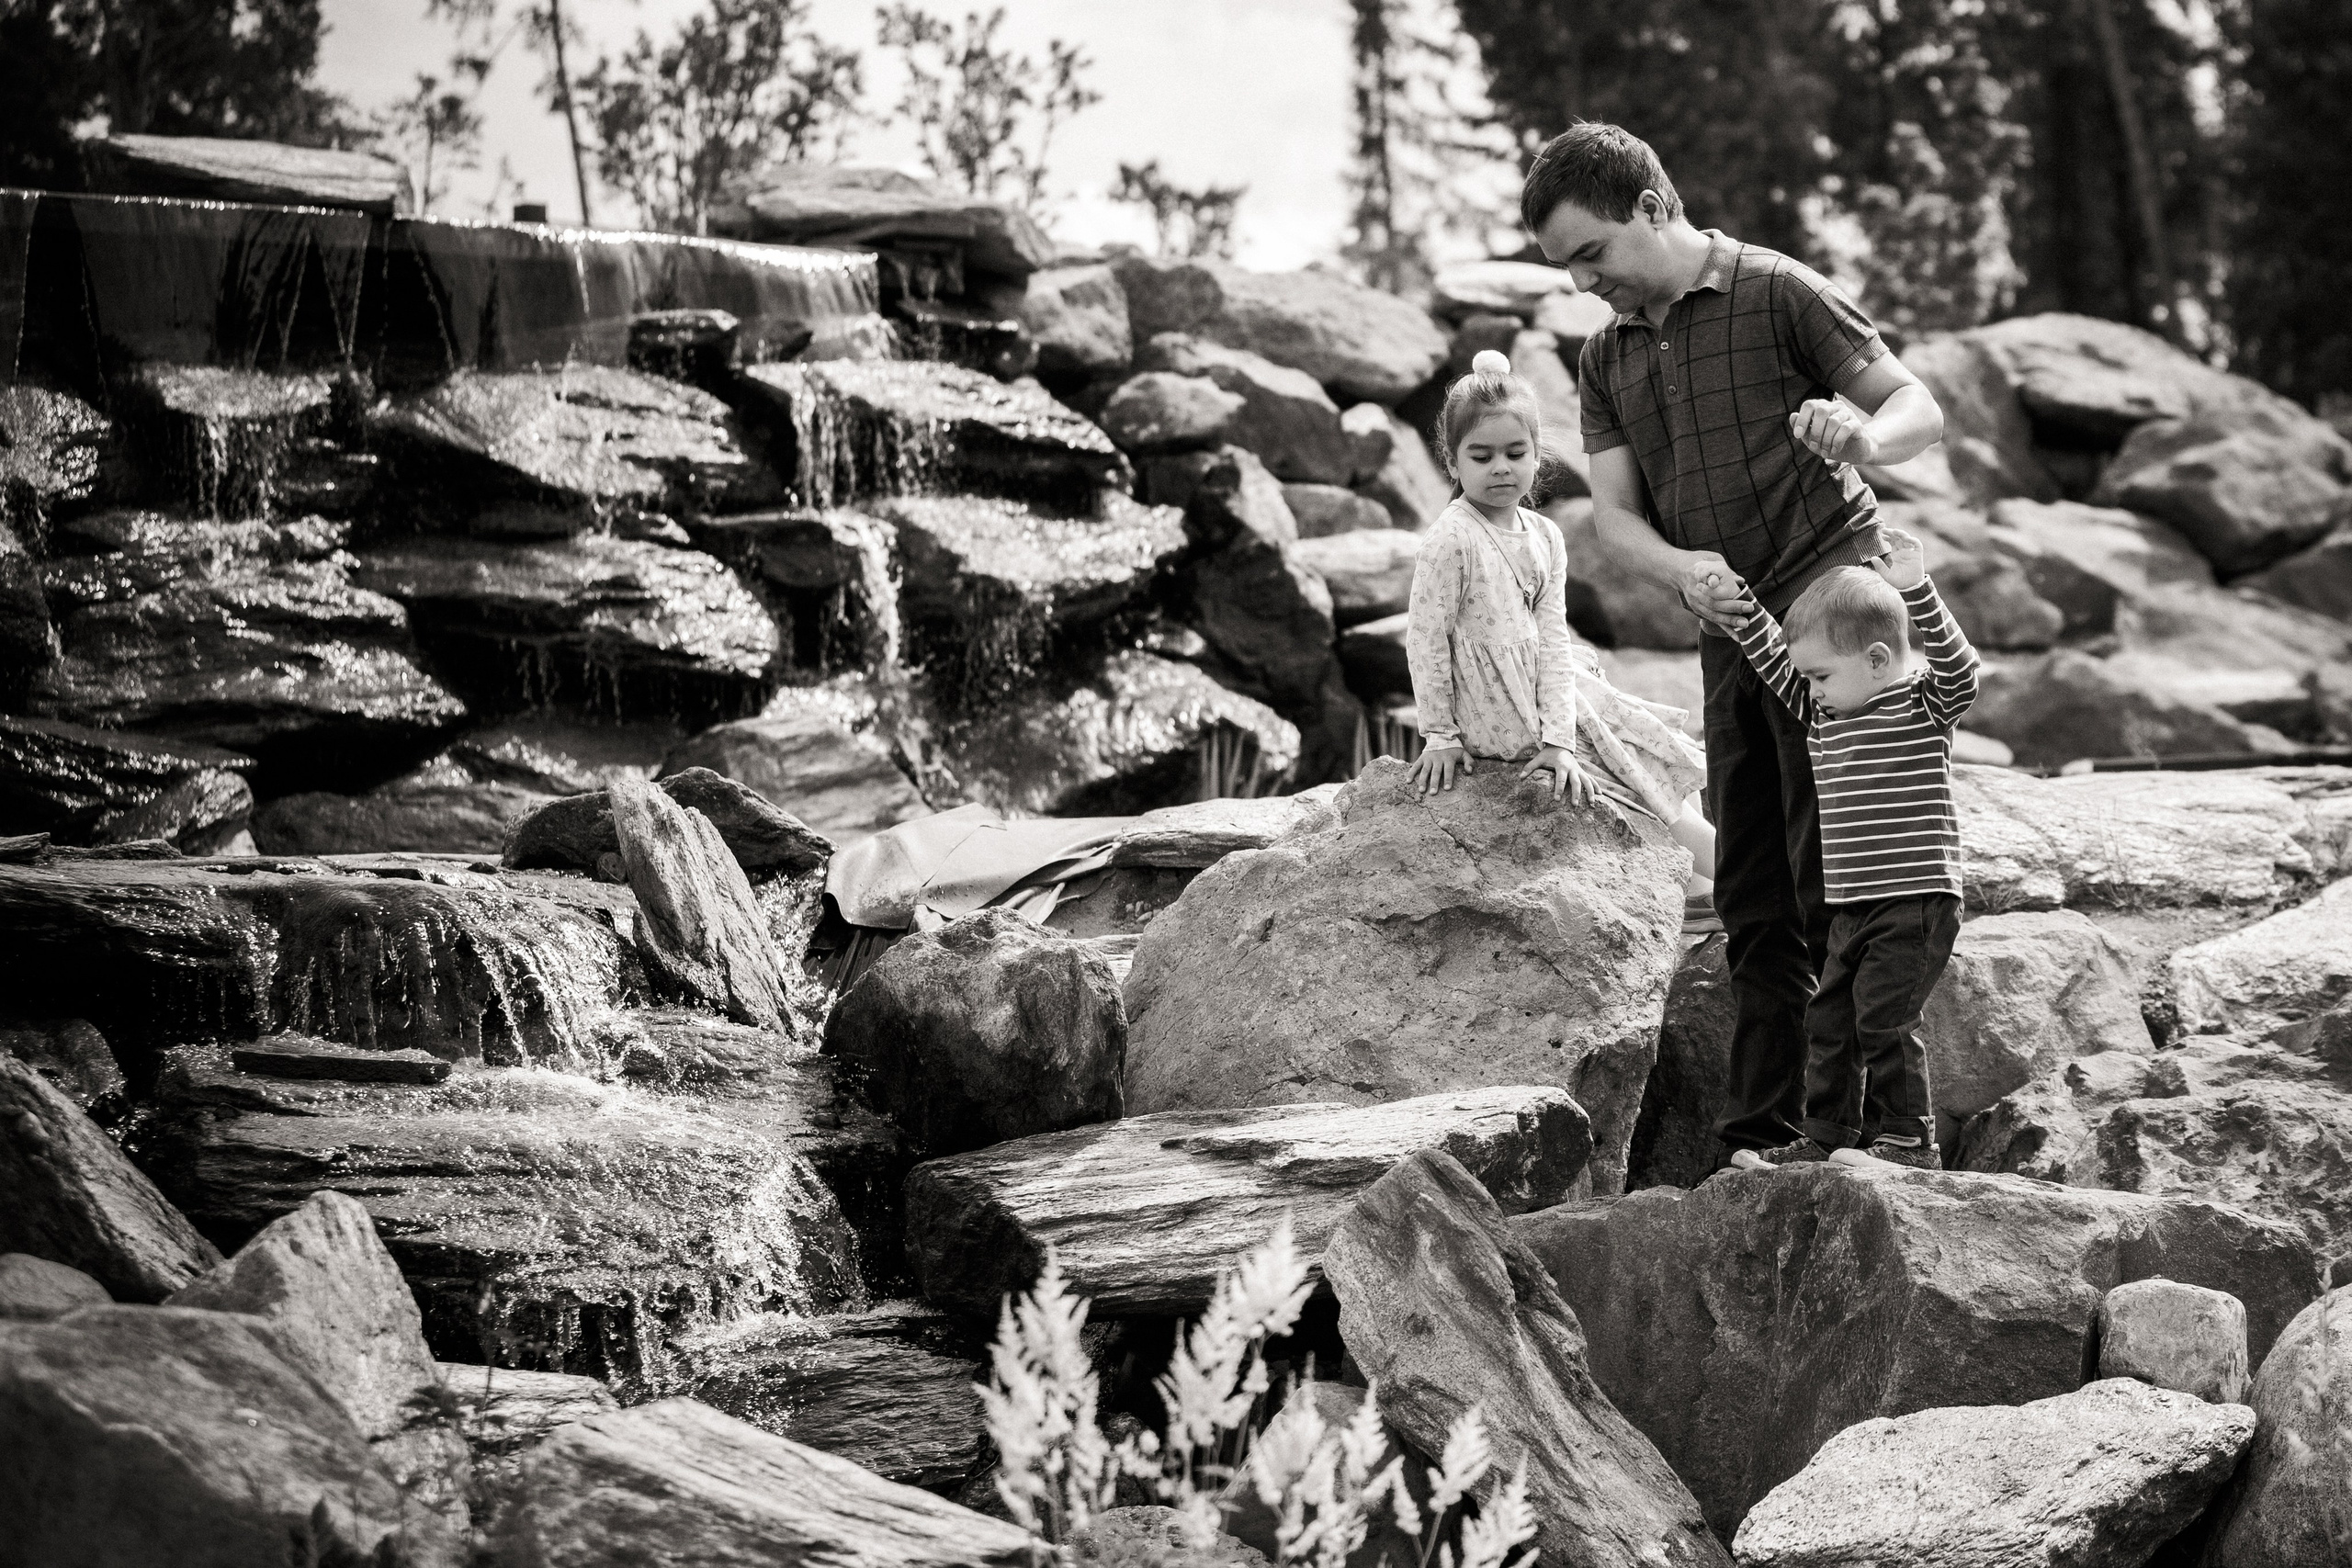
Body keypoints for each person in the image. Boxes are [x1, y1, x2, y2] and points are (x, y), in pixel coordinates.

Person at [1520, 122, 1948, 1164]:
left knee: (1839, 886)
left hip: (1836, 639)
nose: (1584, 284)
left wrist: (1861, 438)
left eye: (1591, 254)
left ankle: (1877, 1134)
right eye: (1565, 267)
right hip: (1728, 629)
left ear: (1655, 209)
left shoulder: (1776, 290)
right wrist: (1679, 573)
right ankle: (1761, 1136)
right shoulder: (1604, 357)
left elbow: (1915, 408)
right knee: (1752, 892)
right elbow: (1616, 519)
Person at [1718, 530, 1978, 1168]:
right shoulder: (1824, 719)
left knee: (1885, 1021)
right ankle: (1828, 1133)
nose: (1813, 688)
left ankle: (1910, 1139)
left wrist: (1916, 588)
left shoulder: (1922, 707)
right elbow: (1777, 663)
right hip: (1851, 907)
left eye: (1823, 674)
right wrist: (1744, 609)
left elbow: (1962, 672)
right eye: (1810, 677)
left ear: (1879, 660)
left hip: (1914, 900)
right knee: (1830, 1020)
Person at [1404, 349, 1713, 879]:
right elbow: (1426, 639)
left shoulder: (1545, 534)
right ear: (1452, 463)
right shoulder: (1452, 538)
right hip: (1495, 709)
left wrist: (1560, 739)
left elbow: (1550, 633)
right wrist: (1440, 736)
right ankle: (1739, 885)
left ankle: (1709, 888)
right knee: (1636, 774)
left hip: (1544, 689)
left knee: (1650, 753)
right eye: (1481, 457)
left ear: (1536, 456)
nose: (1501, 468)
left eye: (1515, 453)